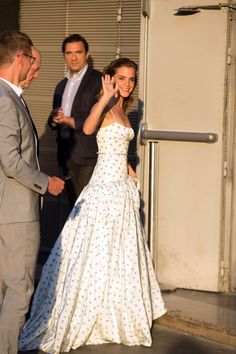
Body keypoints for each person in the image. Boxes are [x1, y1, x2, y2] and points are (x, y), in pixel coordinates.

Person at [19, 57, 166, 353]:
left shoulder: (124, 112)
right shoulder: (106, 105)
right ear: (109, 79)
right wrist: (107, 97)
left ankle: (114, 312)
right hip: (102, 189)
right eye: (121, 78)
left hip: (121, 189)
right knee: (93, 250)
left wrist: (127, 166)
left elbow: (115, 145)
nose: (127, 84)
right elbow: (87, 129)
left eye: (131, 79)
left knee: (118, 251)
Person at [0, 30, 65, 354]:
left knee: (4, 292)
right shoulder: (5, 99)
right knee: (19, 291)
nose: (33, 71)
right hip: (15, 213)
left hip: (5, 211)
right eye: (32, 62)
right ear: (21, 58)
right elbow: (11, 161)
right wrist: (46, 182)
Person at [48, 33, 102, 208]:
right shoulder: (61, 85)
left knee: (87, 208)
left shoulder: (98, 81)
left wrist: (71, 120)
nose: (73, 57)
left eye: (78, 52)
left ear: (87, 54)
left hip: (88, 156)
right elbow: (54, 120)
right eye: (68, 53)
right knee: (73, 209)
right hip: (66, 156)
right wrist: (55, 119)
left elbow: (101, 117)